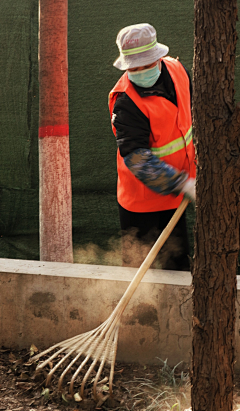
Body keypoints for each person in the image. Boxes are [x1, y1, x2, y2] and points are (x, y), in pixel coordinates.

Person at [108, 23, 196, 271]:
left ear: (158, 57)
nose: (142, 71)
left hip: (177, 197)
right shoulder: (126, 103)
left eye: (147, 64)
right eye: (134, 68)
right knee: (141, 272)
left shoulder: (178, 71)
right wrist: (181, 183)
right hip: (142, 204)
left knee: (177, 267)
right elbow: (136, 157)